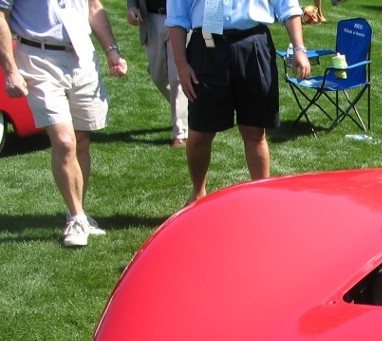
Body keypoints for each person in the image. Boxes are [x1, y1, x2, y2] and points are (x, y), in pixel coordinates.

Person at [0, 0, 128, 248]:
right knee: (64, 141)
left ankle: (79, 212)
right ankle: (77, 217)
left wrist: (112, 50)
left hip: (82, 57)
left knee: (81, 140)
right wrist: (10, 69)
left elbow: (93, 7)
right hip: (39, 58)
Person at [166, 0, 311, 203]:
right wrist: (181, 65)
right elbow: (177, 18)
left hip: (253, 45)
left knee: (255, 131)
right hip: (206, 49)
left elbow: (287, 5)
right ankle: (198, 194)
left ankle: (262, 198)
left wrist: (299, 49)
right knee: (200, 132)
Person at [127, 0, 188, 147]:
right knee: (158, 76)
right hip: (151, 18)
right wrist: (132, 7)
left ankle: (180, 133)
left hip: (179, 16)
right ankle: (189, 110)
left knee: (176, 77)